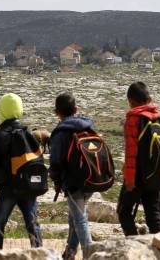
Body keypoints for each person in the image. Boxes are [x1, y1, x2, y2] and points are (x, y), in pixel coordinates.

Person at [0, 93, 43, 250]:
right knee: (32, 224)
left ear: (2, 110)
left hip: (9, 188)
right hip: (28, 187)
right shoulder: (28, 134)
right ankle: (39, 253)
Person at [49, 92, 97, 260]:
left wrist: (56, 181)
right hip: (91, 179)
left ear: (57, 112)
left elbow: (55, 162)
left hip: (73, 182)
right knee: (74, 218)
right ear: (76, 109)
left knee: (80, 219)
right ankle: (69, 253)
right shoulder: (87, 126)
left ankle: (89, 255)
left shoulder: (60, 133)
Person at [116, 82, 160, 236]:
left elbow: (131, 153)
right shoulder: (156, 116)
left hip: (137, 174)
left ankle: (134, 245)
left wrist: (130, 180)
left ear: (131, 100)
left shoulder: (134, 119)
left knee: (123, 211)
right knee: (153, 213)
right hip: (154, 174)